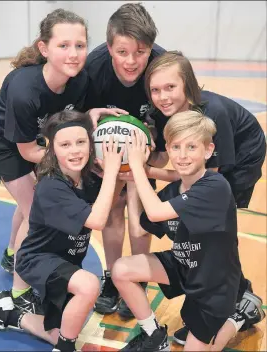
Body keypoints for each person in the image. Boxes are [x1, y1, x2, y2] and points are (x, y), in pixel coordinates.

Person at [0, 8, 125, 314]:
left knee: (28, 198)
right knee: (35, 209)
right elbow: (29, 151)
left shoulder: (79, 80)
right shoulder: (23, 89)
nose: (74, 54)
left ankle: (11, 252)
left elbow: (70, 120)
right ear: (44, 49)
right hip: (4, 139)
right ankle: (18, 294)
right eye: (63, 45)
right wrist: (81, 161)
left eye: (80, 45)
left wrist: (90, 116)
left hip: (40, 135)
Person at [0, 110, 126, 352]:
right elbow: (96, 220)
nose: (74, 150)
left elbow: (109, 205)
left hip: (66, 261)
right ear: (52, 149)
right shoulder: (51, 186)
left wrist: (119, 174)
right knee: (88, 287)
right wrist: (112, 174)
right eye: (65, 144)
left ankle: (9, 315)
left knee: (59, 331)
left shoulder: (89, 178)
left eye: (80, 142)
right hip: (37, 261)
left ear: (91, 144)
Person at [111, 111, 265, 352]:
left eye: (191, 147)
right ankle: (153, 335)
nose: (182, 155)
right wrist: (131, 179)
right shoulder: (172, 192)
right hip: (183, 265)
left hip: (215, 285)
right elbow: (140, 230)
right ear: (168, 150)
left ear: (207, 150)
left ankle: (241, 315)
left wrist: (140, 168)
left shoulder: (215, 187)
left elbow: (155, 213)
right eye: (175, 147)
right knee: (121, 269)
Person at [142, 50, 266, 344]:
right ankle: (221, 294)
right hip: (208, 166)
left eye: (170, 87)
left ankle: (238, 300)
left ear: (188, 84)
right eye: (155, 90)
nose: (162, 96)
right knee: (195, 228)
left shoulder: (213, 114)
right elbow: (164, 156)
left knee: (218, 229)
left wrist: (144, 170)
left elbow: (206, 176)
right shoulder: (165, 111)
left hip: (241, 158)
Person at [83, 2, 177, 319]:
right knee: (111, 211)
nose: (132, 61)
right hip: (104, 155)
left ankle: (136, 278)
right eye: (122, 52)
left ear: (150, 48)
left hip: (144, 152)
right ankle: (112, 276)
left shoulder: (163, 67)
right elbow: (79, 118)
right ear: (109, 46)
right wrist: (94, 158)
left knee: (139, 216)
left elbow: (175, 118)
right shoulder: (92, 69)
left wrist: (153, 159)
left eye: (140, 52)